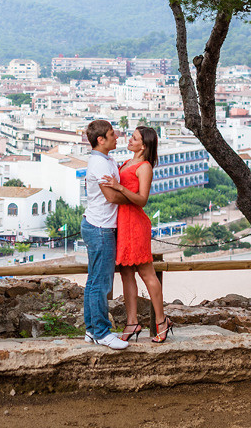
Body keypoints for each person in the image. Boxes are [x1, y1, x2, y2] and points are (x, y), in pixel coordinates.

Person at [104, 125, 171, 343]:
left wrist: (119, 187)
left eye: (134, 138)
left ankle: (162, 321)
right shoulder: (127, 162)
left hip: (135, 224)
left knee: (146, 273)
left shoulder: (144, 167)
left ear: (144, 145)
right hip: (123, 223)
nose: (129, 140)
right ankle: (132, 322)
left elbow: (143, 199)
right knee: (126, 273)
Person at [79, 119, 129, 349]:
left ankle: (91, 329)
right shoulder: (99, 164)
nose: (116, 136)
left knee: (94, 281)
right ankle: (101, 331)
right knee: (101, 282)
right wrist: (132, 199)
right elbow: (110, 197)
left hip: (97, 224)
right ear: (100, 140)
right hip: (100, 227)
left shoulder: (107, 160)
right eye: (112, 134)